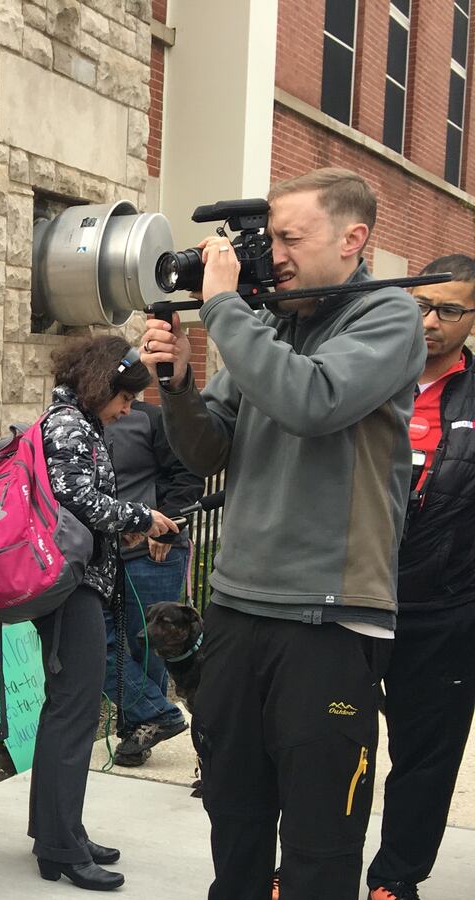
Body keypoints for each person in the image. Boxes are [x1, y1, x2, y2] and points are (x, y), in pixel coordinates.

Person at [140, 167, 423, 899]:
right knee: (233, 819)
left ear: (352, 239)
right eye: (272, 239)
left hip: (330, 620)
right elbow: (209, 451)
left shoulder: (387, 317)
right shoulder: (266, 324)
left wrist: (226, 309)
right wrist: (178, 386)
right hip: (239, 608)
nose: (277, 254)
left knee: (319, 843)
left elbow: (314, 399)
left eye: (291, 237)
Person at [29, 336, 175, 891]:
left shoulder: (72, 421)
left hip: (77, 584)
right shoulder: (69, 425)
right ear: (102, 385)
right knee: (74, 714)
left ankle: (57, 832)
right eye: (126, 397)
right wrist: (144, 515)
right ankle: (61, 846)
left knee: (66, 712)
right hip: (72, 587)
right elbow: (76, 499)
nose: (129, 408)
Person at [367, 255, 475, 900]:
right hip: (348, 596)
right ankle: (305, 863)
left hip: (443, 609)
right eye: (420, 305)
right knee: (320, 741)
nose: (430, 321)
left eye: (450, 310)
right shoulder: (365, 375)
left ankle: (396, 878)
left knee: (425, 756)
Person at [103, 398, 202, 766]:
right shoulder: (79, 423)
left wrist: (166, 527)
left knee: (149, 647)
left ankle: (138, 736)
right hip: (97, 555)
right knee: (98, 642)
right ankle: (156, 713)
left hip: (153, 551)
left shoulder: (150, 418)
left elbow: (189, 472)